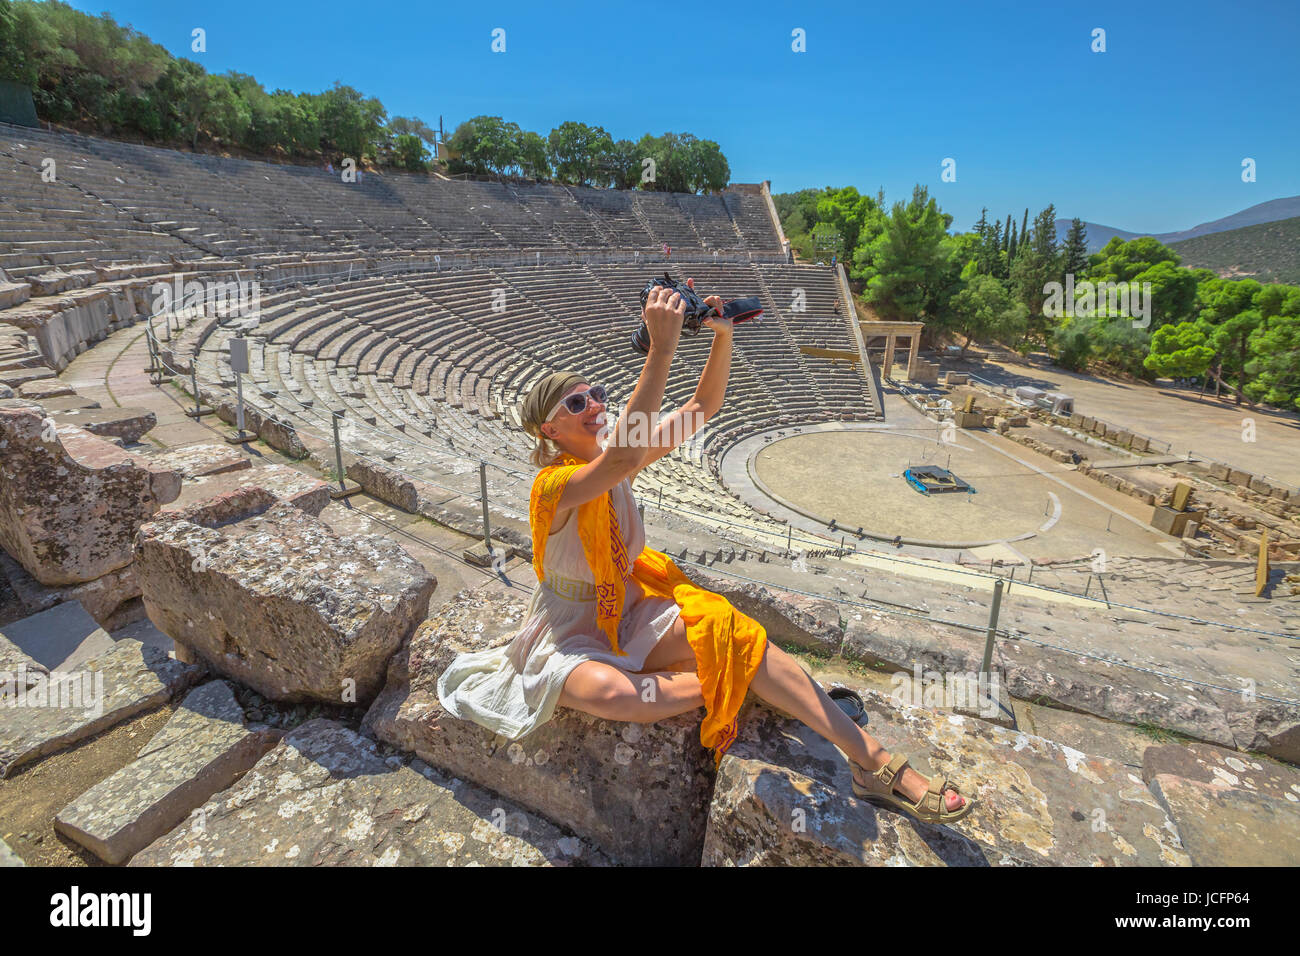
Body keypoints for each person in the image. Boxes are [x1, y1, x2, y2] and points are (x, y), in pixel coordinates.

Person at [437, 280, 974, 825]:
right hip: (569, 626)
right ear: (549, 429)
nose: (595, 405)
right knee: (610, 694)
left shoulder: (616, 457)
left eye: (596, 394)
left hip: (626, 606)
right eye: (577, 404)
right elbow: (618, 464)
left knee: (733, 633)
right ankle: (750, 687)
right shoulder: (553, 485)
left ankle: (870, 758)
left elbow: (703, 405)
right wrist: (662, 348)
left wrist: (721, 336)